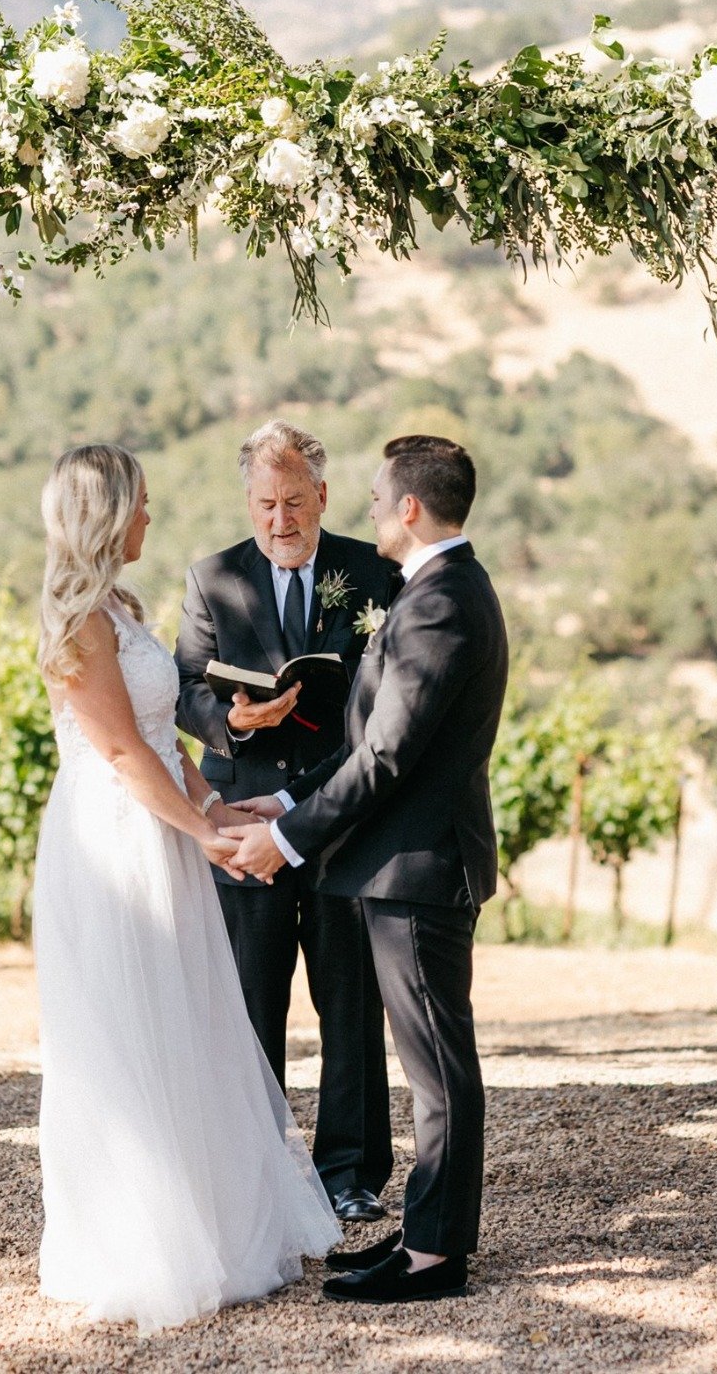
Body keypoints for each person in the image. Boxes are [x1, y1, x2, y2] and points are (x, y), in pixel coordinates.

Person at [32, 443, 339, 1333]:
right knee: (129, 1029)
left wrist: (218, 802)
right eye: (141, 504)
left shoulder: (122, 608)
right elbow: (122, 754)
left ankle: (214, 1224)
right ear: (105, 513)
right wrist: (202, 832)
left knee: (191, 1016)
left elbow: (164, 739)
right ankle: (141, 1242)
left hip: (162, 822)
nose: (150, 518)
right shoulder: (77, 622)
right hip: (113, 842)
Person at [226, 434, 508, 1304]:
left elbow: (386, 757)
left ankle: (435, 1260)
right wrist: (280, 804)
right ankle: (424, 1237)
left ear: (412, 508)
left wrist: (290, 840)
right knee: (430, 1060)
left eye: (383, 497)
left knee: (435, 1066)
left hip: (418, 872)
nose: (374, 510)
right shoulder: (441, 592)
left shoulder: (438, 603)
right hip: (403, 868)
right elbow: (367, 746)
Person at [175, 420, 397, 1221]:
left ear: (323, 497)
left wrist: (311, 800)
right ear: (248, 500)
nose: (280, 520)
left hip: (340, 821)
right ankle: (255, 1169)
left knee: (349, 1003)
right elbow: (184, 689)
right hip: (240, 824)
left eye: (295, 502)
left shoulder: (373, 571)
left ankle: (352, 1177)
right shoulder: (211, 578)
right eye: (266, 503)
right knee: (248, 1004)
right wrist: (235, 721)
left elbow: (384, 709)